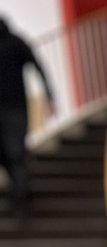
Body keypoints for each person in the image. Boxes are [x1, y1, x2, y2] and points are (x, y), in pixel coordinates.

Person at [0, 16, 55, 212]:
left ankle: (21, 195)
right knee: (12, 153)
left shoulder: (15, 43)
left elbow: (37, 66)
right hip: (14, 109)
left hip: (15, 109)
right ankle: (20, 192)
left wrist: (49, 96)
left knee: (14, 153)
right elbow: (38, 66)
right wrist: (49, 96)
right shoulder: (16, 42)